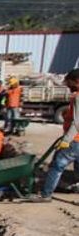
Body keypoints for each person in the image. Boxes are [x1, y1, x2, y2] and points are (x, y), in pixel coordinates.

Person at [40, 68, 79, 201]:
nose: (68, 86)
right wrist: (68, 114)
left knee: (57, 165)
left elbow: (77, 122)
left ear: (77, 81)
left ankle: (46, 195)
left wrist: (67, 139)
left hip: (74, 140)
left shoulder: (78, 96)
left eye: (69, 83)